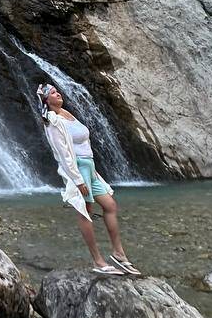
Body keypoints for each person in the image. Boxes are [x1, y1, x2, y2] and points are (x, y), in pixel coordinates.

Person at [37, 82, 140, 276]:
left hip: (90, 168)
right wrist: (77, 179)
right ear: (46, 100)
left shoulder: (67, 113)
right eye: (52, 93)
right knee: (85, 211)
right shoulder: (52, 120)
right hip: (78, 169)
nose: (58, 94)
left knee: (110, 205)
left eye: (57, 91)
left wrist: (93, 172)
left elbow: (84, 143)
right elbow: (63, 153)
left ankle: (118, 253)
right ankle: (98, 261)